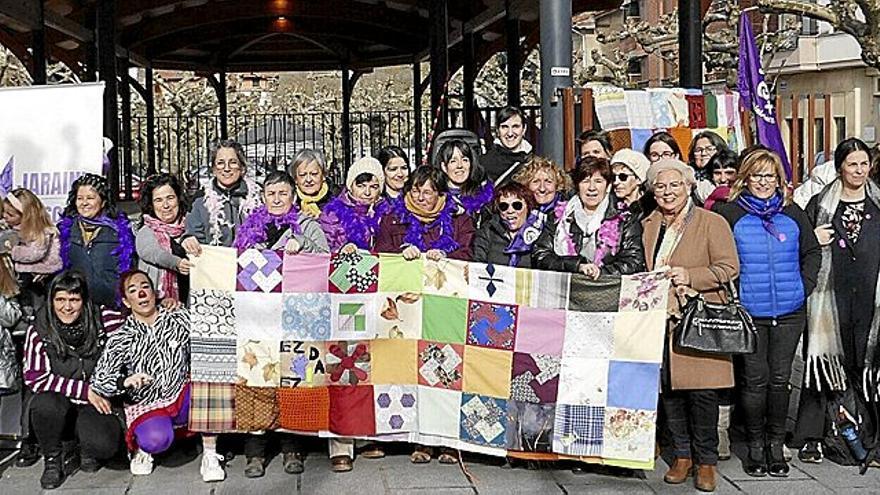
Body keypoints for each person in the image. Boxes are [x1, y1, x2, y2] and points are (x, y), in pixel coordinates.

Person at [714, 149, 820, 477]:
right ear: (745, 177)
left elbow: (812, 251)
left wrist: (804, 286)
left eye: (769, 176)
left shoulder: (793, 212)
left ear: (779, 180)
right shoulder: (730, 213)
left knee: (780, 379)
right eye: (757, 175)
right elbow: (721, 256)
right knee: (755, 380)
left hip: (790, 310)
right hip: (751, 312)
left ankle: (776, 444)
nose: (763, 182)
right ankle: (755, 444)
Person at [641, 159, 739, 492]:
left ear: (689, 186)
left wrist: (691, 276)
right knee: (670, 391)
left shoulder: (712, 222)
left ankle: (707, 461)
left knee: (702, 394)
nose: (668, 192)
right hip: (659, 319)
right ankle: (682, 455)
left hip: (698, 318)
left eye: (674, 185)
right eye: (660, 186)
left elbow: (729, 268)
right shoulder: (647, 223)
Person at [235, 171, 330, 476]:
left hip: (296, 315)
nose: (277, 199)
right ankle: (255, 452)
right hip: (259, 315)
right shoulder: (250, 226)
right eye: (271, 194)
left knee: (294, 378)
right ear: (263, 197)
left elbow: (327, 259)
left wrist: (302, 246)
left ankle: (293, 447)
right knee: (256, 378)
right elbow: (233, 260)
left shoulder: (307, 225)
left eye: (283, 194)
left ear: (293, 196)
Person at [89, 270, 225, 481]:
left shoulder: (178, 317)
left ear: (154, 292)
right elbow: (100, 379)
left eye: (145, 287)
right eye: (133, 291)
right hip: (147, 403)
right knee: (157, 440)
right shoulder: (121, 336)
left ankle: (210, 454)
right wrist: (125, 381)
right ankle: (144, 450)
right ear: (126, 301)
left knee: (211, 386)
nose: (141, 294)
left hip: (181, 393)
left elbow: (210, 334)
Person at [795, 137, 880, 464]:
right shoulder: (820, 203)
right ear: (840, 167)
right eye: (852, 164)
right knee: (823, 367)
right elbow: (802, 246)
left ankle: (867, 434)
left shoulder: (878, 203)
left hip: (870, 303)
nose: (859, 170)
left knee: (867, 367)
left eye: (863, 164)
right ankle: (812, 436)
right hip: (829, 300)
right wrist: (812, 238)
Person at [23, 271, 126, 489]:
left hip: (96, 400)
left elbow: (125, 355)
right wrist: (84, 390)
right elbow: (35, 377)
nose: (67, 307)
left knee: (104, 445)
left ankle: (85, 447)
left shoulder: (105, 319)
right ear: (51, 301)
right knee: (44, 404)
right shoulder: (39, 330)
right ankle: (53, 458)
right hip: (61, 401)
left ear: (84, 300)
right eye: (60, 299)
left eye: (74, 300)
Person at [533, 157, 645, 278]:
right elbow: (540, 255)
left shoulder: (625, 219)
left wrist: (600, 272)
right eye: (585, 181)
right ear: (577, 186)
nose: (592, 188)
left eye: (598, 181)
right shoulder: (557, 216)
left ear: (608, 186)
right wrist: (577, 266)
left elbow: (634, 261)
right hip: (568, 290)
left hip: (606, 291)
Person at [58, 174, 135, 307]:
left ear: (103, 202)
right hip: (76, 307)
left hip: (111, 306)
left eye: (90, 198)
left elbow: (130, 271)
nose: (84, 203)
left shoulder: (119, 232)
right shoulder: (66, 230)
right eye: (80, 198)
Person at [375, 166, 475, 263]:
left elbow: (467, 253)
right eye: (415, 191)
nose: (420, 198)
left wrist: (445, 256)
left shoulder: (460, 220)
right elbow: (380, 251)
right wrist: (400, 252)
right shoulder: (392, 218)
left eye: (427, 193)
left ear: (440, 195)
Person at [183, 140, 262, 252]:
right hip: (215, 264)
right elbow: (193, 236)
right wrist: (188, 240)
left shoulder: (258, 197)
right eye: (220, 163)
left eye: (233, 162)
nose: (226, 168)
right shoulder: (200, 200)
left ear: (242, 167)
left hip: (251, 264)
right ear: (214, 169)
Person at [135, 174, 193, 303]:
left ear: (178, 199)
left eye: (170, 198)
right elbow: (154, 254)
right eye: (158, 200)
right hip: (161, 303)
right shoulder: (146, 231)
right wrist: (176, 263)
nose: (165, 205)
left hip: (194, 302)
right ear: (151, 204)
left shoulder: (192, 225)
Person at [320, 157, 387, 253]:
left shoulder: (387, 213)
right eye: (361, 186)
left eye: (373, 187)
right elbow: (325, 249)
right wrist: (342, 249)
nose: (367, 192)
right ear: (350, 186)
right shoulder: (331, 214)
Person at [3, 188, 62, 296]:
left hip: (38, 275)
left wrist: (13, 251)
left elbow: (36, 253)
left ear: (25, 216)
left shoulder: (40, 231)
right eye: (3, 211)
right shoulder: (10, 227)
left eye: (10, 215)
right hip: (21, 274)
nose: (4, 216)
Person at [472, 182, 538, 267]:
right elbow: (477, 265)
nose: (510, 211)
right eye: (504, 206)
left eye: (517, 205)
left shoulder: (539, 234)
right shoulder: (487, 232)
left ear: (528, 206)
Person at [435, 139, 493, 219]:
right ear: (444, 167)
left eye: (465, 160)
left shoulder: (483, 196)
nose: (459, 165)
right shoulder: (435, 197)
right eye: (453, 161)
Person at [513, 156, 572, 228]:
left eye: (548, 182)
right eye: (536, 182)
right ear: (526, 185)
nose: (542, 188)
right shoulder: (516, 209)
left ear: (557, 185)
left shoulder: (569, 212)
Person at [480, 106, 533, 185]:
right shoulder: (483, 165)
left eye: (515, 126)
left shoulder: (533, 163)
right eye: (504, 127)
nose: (510, 133)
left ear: (524, 129)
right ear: (497, 130)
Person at [289, 149, 338, 218]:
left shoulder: (338, 197)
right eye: (302, 175)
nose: (308, 180)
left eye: (314, 174)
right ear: (295, 179)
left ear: (323, 175)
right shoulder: (288, 201)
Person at [609, 148, 653, 221]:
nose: (616, 182)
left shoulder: (651, 208)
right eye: (613, 177)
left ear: (639, 179)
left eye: (623, 177)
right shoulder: (609, 206)